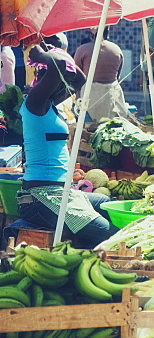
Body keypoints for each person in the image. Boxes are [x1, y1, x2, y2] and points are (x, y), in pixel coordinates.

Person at [14, 45, 114, 246]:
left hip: (62, 192)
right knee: (106, 233)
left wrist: (59, 54)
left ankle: (83, 248)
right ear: (47, 80)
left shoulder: (50, 103)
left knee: (107, 205)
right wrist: (43, 55)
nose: (66, 87)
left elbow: (80, 79)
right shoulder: (35, 103)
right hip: (42, 196)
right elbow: (58, 66)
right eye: (61, 80)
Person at [73, 27, 130, 121]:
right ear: (107, 31)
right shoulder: (116, 49)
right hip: (112, 95)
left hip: (89, 95)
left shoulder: (82, 50)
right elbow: (118, 76)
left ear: (91, 32)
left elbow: (75, 76)